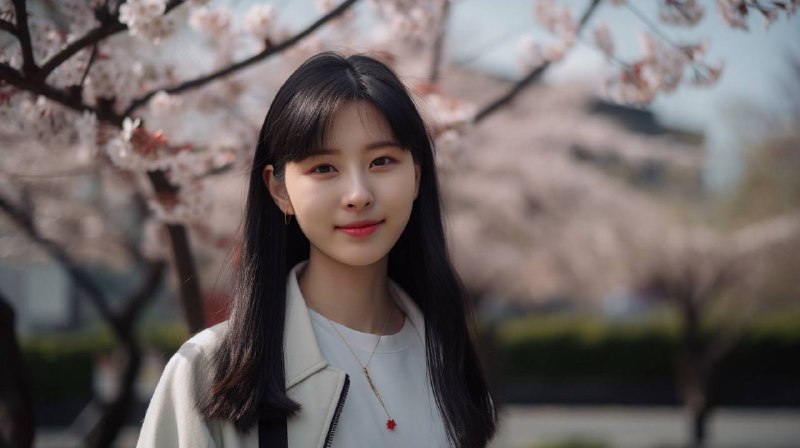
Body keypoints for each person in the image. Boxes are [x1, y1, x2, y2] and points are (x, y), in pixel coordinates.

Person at [136, 51, 497, 448]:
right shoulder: (209, 373)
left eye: (382, 161)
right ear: (279, 190)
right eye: (323, 168)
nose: (358, 194)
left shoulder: (446, 360)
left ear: (416, 175)